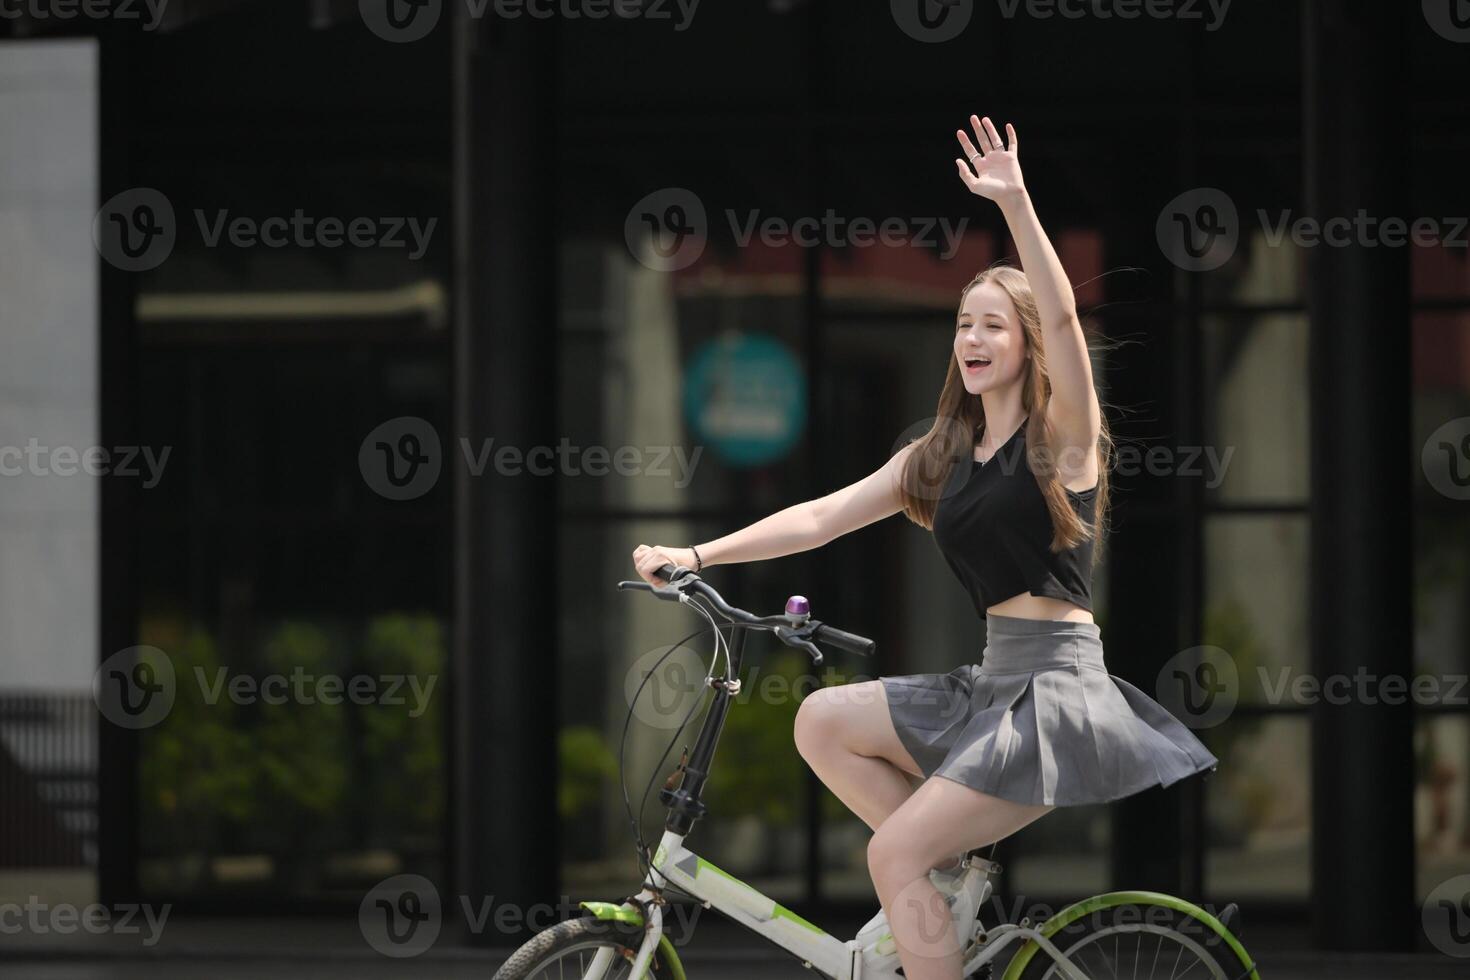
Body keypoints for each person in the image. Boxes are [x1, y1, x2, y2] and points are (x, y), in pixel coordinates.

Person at [631, 114, 1219, 980]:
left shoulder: (1064, 439)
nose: (973, 340)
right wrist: (699, 556)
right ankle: (942, 876)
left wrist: (1015, 202)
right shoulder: (940, 455)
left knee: (889, 858)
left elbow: (1062, 313)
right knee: (821, 721)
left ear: (1025, 345)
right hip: (987, 686)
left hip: (1051, 697)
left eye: (993, 326)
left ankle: (923, 878)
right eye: (962, 324)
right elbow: (821, 516)